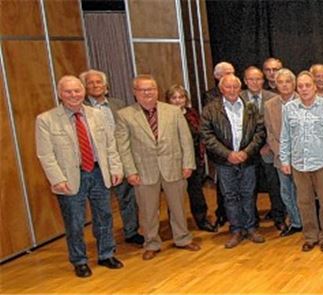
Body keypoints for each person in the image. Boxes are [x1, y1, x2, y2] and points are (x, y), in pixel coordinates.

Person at [36, 76, 125, 277]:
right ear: (60, 94)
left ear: (83, 92)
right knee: (74, 222)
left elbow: (110, 144)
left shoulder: (97, 115)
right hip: (69, 178)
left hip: (99, 172)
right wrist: (57, 179)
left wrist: (116, 168)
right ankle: (79, 260)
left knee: (104, 216)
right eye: (68, 92)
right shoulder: (46, 120)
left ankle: (106, 254)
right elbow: (45, 154)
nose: (73, 95)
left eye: (77, 91)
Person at [116, 75, 200, 260]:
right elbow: (123, 147)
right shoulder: (125, 115)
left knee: (178, 207)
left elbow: (186, 140)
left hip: (174, 167)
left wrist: (188, 164)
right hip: (143, 171)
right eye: (143, 89)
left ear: (157, 91)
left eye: (151, 89)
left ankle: (182, 238)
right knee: (148, 212)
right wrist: (130, 171)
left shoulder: (173, 111)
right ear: (135, 92)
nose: (148, 93)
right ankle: (151, 243)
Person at [280, 72, 323, 252]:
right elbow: (285, 136)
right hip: (299, 163)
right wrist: (285, 160)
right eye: (300, 86)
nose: (304, 89)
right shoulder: (289, 108)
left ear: (315, 86)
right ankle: (310, 236)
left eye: (307, 85)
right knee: (304, 201)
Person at [199, 74, 267, 248]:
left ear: (240, 88)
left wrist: (246, 152)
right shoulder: (211, 109)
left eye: (235, 87)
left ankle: (251, 228)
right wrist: (227, 154)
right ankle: (236, 230)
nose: (232, 90)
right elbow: (207, 135)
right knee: (230, 196)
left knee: (249, 194)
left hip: (247, 160)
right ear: (221, 89)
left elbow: (260, 132)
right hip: (224, 162)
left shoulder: (250, 107)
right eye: (228, 87)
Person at [80, 69, 146, 243]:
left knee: (128, 197)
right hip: (97, 162)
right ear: (85, 88)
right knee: (101, 204)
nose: (95, 85)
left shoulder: (118, 104)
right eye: (90, 83)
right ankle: (105, 240)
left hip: (120, 157)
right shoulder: (82, 109)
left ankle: (131, 232)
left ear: (106, 86)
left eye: (98, 82)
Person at [164, 85, 217, 233]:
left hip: (194, 159)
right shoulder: (164, 117)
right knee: (175, 196)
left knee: (196, 192)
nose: (178, 101)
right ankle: (176, 226)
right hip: (174, 161)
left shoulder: (192, 114)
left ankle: (202, 220)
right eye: (174, 98)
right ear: (168, 100)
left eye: (181, 97)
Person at [242, 66, 285, 231]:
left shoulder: (273, 98)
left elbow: (277, 125)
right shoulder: (238, 98)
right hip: (247, 150)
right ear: (245, 81)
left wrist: (269, 144)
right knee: (249, 187)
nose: (255, 82)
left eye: (258, 79)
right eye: (251, 79)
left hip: (269, 149)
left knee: (274, 185)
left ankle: (279, 217)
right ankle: (251, 220)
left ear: (263, 80)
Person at [264, 69, 303, 237]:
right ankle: (296, 222)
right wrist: (283, 154)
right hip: (281, 157)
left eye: (288, 81)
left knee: (303, 192)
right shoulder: (269, 105)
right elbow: (270, 134)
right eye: (280, 82)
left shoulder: (304, 101)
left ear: (294, 84)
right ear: (276, 85)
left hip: (303, 156)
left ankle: (308, 221)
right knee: (286, 191)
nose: (285, 85)